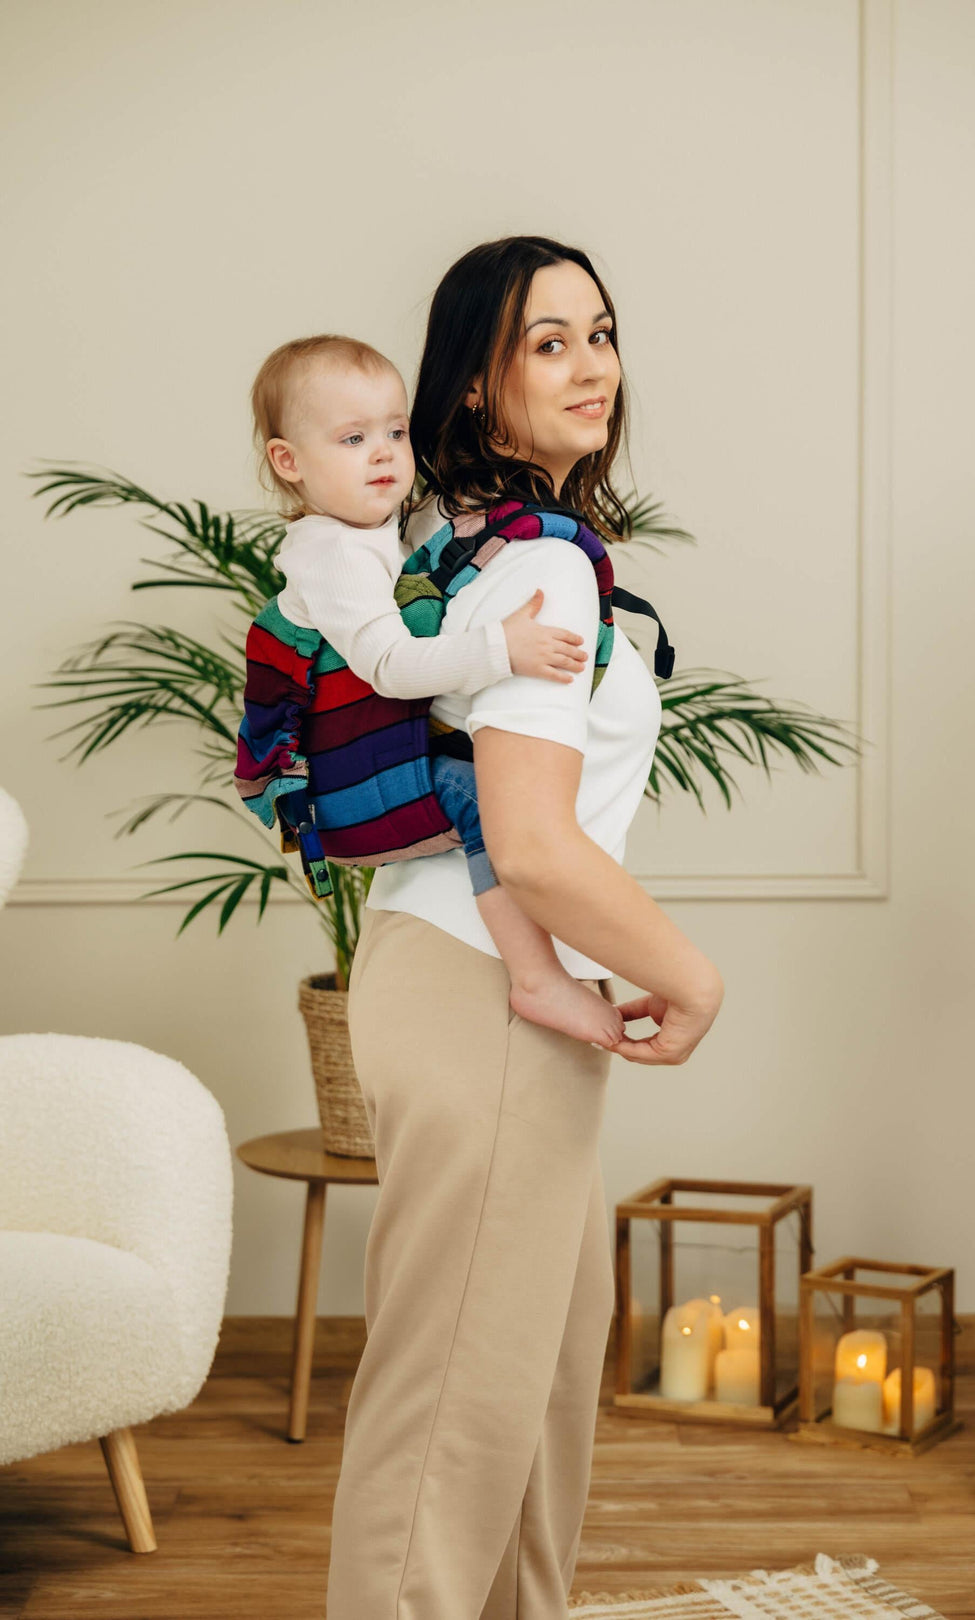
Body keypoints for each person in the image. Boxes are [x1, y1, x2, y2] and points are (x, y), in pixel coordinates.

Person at [326, 236, 725, 1620]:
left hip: (480, 989)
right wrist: (692, 978)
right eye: (547, 343)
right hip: (482, 995)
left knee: (536, 1386)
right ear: (474, 387)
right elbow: (537, 843)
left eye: (598, 333)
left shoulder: (475, 547)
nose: (591, 364)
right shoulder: (539, 570)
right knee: (451, 1416)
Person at [250, 333, 626, 1051]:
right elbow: (392, 667)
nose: (384, 453)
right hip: (343, 780)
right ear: (288, 461)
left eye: (395, 432)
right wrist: (502, 648)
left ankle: (540, 970)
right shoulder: (335, 553)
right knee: (488, 804)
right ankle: (536, 977)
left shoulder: (377, 531)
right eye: (354, 438)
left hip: (363, 764)